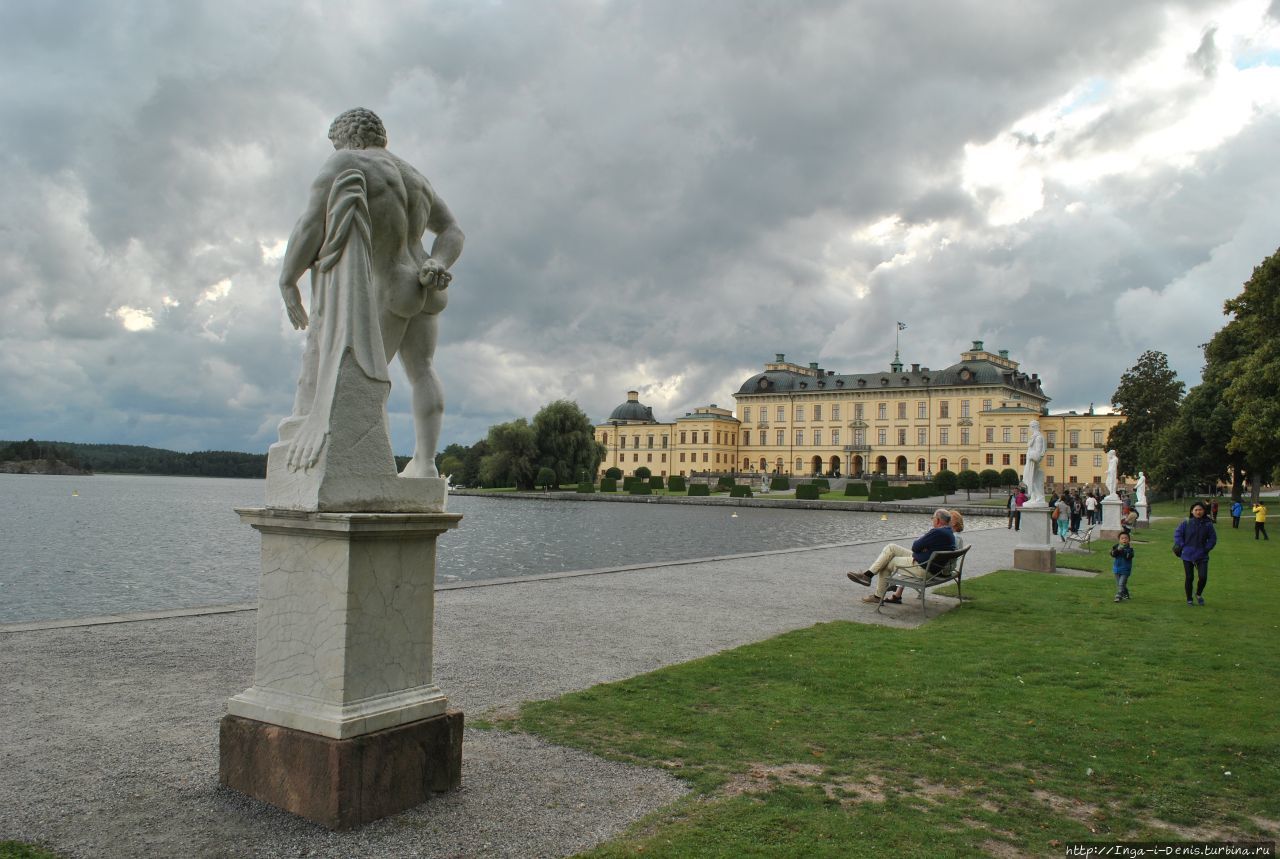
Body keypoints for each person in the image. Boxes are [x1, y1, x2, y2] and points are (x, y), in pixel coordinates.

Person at [276, 107, 465, 476]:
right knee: (423, 370)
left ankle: (366, 467)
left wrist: (288, 278)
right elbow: (453, 230)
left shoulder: (347, 161)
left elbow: (312, 224)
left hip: (388, 283)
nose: (336, 150)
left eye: (336, 143)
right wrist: (439, 262)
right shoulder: (416, 178)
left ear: (349, 137)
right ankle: (425, 463)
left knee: (366, 376)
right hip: (424, 279)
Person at [847, 509, 957, 603]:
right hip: (931, 565)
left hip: (923, 568)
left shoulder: (936, 532)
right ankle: (868, 575)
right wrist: (923, 549)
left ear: (937, 520)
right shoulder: (949, 533)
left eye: (932, 518)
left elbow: (915, 546)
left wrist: (923, 547)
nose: (932, 520)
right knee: (891, 547)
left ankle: (877, 594)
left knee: (887, 562)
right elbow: (919, 548)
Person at [883, 510, 967, 604]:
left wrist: (924, 550)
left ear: (954, 523)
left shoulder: (952, 537)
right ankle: (897, 592)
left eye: (950, 519)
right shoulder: (955, 536)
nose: (947, 521)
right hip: (944, 567)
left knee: (905, 562)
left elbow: (926, 550)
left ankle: (888, 589)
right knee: (910, 560)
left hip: (939, 569)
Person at [1174, 501, 1217, 606]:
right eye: (1196, 510)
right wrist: (1182, 545)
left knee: (1203, 577)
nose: (1198, 512)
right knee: (1189, 577)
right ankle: (1189, 599)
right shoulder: (1186, 522)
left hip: (1202, 554)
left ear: (1204, 511)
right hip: (1187, 554)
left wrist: (1206, 548)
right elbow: (1178, 534)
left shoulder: (1208, 524)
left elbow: (1213, 538)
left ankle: (1198, 594)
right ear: (1192, 511)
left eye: (1200, 510)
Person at [1023, 421, 1046, 505]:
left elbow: (1039, 451)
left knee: (1032, 479)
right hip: (1030, 461)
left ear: (1033, 427)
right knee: (1029, 479)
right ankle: (1033, 497)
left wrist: (1031, 455)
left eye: (1030, 427)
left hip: (1033, 462)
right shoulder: (1034, 437)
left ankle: (1039, 497)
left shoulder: (1038, 437)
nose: (1029, 429)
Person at [1110, 531, 1134, 602]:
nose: (1124, 540)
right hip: (1117, 569)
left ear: (1129, 540)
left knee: (1121, 584)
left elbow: (1128, 556)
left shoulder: (1130, 549)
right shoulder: (1116, 547)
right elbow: (1112, 554)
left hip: (1125, 570)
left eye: (1126, 538)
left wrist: (1123, 551)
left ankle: (1118, 596)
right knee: (1121, 584)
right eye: (1122, 538)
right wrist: (1117, 550)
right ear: (1119, 540)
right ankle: (1126, 594)